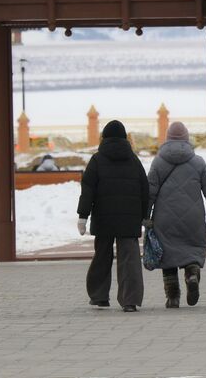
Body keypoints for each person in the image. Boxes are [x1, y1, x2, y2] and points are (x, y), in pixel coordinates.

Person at [76, 120, 150, 312]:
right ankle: (130, 300)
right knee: (129, 259)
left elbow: (88, 190)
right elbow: (145, 189)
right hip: (129, 219)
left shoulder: (97, 160)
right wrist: (145, 215)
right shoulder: (133, 160)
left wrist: (83, 215)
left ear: (104, 138)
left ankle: (99, 296)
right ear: (125, 138)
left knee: (102, 256)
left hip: (104, 218)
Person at [148, 121, 206, 308]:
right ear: (187, 139)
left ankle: (173, 297)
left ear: (167, 139)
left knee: (167, 258)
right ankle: (192, 275)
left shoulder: (158, 162)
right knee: (191, 253)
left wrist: (144, 216)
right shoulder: (198, 162)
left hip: (164, 219)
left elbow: (149, 193)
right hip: (193, 219)